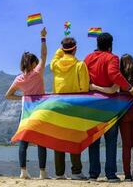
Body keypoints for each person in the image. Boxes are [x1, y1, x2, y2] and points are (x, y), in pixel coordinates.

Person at [91, 42, 133, 182]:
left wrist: (94, 87)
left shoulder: (120, 79)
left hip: (125, 111)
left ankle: (127, 175)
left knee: (126, 145)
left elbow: (111, 90)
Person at [84, 32, 133, 182]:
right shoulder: (112, 57)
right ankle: (110, 174)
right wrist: (129, 88)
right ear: (110, 45)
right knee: (111, 140)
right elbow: (114, 74)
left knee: (94, 140)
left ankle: (93, 174)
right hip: (109, 105)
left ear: (97, 44)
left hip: (91, 103)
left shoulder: (88, 58)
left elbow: (83, 77)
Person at [5, 28, 49, 179]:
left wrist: (23, 98)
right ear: (33, 63)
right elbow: (44, 55)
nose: (38, 63)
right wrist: (43, 38)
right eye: (36, 62)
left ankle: (23, 171)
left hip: (26, 110)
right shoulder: (37, 73)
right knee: (41, 141)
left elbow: (8, 95)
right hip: (40, 109)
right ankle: (42, 173)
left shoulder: (18, 79)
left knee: (23, 141)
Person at [50, 37, 89, 180]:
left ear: (63, 49)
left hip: (58, 105)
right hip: (74, 106)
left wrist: (61, 49)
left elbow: (55, 57)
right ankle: (76, 172)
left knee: (59, 139)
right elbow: (84, 88)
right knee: (74, 138)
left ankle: (59, 173)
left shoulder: (55, 65)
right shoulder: (80, 65)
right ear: (75, 49)